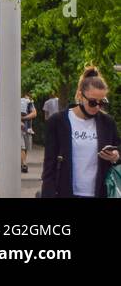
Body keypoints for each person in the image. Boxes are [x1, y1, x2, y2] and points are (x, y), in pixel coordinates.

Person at [40, 66, 120, 198]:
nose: (97, 107)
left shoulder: (107, 122)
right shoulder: (58, 122)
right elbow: (49, 166)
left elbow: (118, 148)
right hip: (65, 192)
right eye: (93, 103)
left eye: (102, 103)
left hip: (100, 192)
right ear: (80, 96)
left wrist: (116, 155)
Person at [20, 91, 37, 174]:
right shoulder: (15, 101)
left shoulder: (30, 103)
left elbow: (34, 113)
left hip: (27, 128)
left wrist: (23, 118)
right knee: (22, 146)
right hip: (19, 129)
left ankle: (22, 163)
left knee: (25, 147)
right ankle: (24, 164)